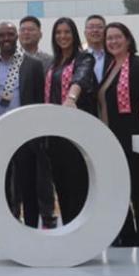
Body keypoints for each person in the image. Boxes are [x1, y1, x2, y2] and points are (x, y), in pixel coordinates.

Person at [96, 23, 139, 246]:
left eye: (117, 37)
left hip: (135, 137)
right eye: (109, 39)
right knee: (120, 189)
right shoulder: (110, 67)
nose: (113, 42)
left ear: (128, 39)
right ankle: (127, 234)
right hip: (114, 138)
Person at [0, 21, 47, 228]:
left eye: (10, 34)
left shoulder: (33, 64)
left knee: (27, 181)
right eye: (2, 35)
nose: (6, 38)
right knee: (1, 181)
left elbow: (39, 99)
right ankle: (6, 225)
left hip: (24, 129)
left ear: (16, 36)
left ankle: (30, 226)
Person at [45, 17, 96, 223]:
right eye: (58, 32)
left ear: (74, 35)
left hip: (75, 129)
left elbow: (80, 78)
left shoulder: (84, 58)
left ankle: (81, 229)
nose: (62, 36)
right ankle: (68, 228)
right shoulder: (53, 63)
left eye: (67, 32)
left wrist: (71, 98)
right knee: (61, 183)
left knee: (77, 182)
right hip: (54, 131)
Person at [18, 15, 56, 227]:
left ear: (40, 33)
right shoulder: (12, 61)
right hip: (18, 124)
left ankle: (48, 215)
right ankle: (16, 214)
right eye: (23, 30)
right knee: (17, 175)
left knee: (43, 172)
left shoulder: (50, 61)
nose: (26, 33)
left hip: (43, 123)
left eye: (31, 29)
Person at [83, 14, 108, 84]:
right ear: (85, 33)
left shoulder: (114, 56)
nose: (95, 30)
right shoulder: (79, 58)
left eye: (99, 27)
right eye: (91, 27)